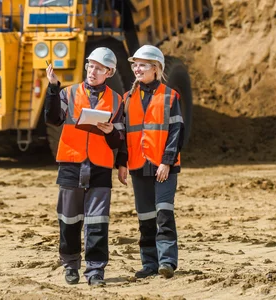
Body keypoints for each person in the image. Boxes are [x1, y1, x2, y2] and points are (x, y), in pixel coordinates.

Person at [44, 47, 125, 286]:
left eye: (99, 68)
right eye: (90, 65)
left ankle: (95, 271)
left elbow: (119, 139)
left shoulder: (116, 101)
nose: (93, 71)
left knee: (98, 222)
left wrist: (111, 132)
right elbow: (53, 118)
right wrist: (52, 88)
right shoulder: (68, 93)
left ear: (109, 72)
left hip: (100, 166)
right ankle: (70, 266)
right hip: (71, 163)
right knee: (68, 219)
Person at [116, 45, 184, 279]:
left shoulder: (170, 95)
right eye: (135, 64)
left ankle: (167, 262)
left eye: (142, 65)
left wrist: (167, 162)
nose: (137, 68)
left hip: (163, 166)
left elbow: (176, 131)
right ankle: (149, 264)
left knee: (164, 214)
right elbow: (124, 135)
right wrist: (122, 163)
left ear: (156, 69)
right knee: (145, 218)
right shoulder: (128, 98)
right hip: (137, 165)